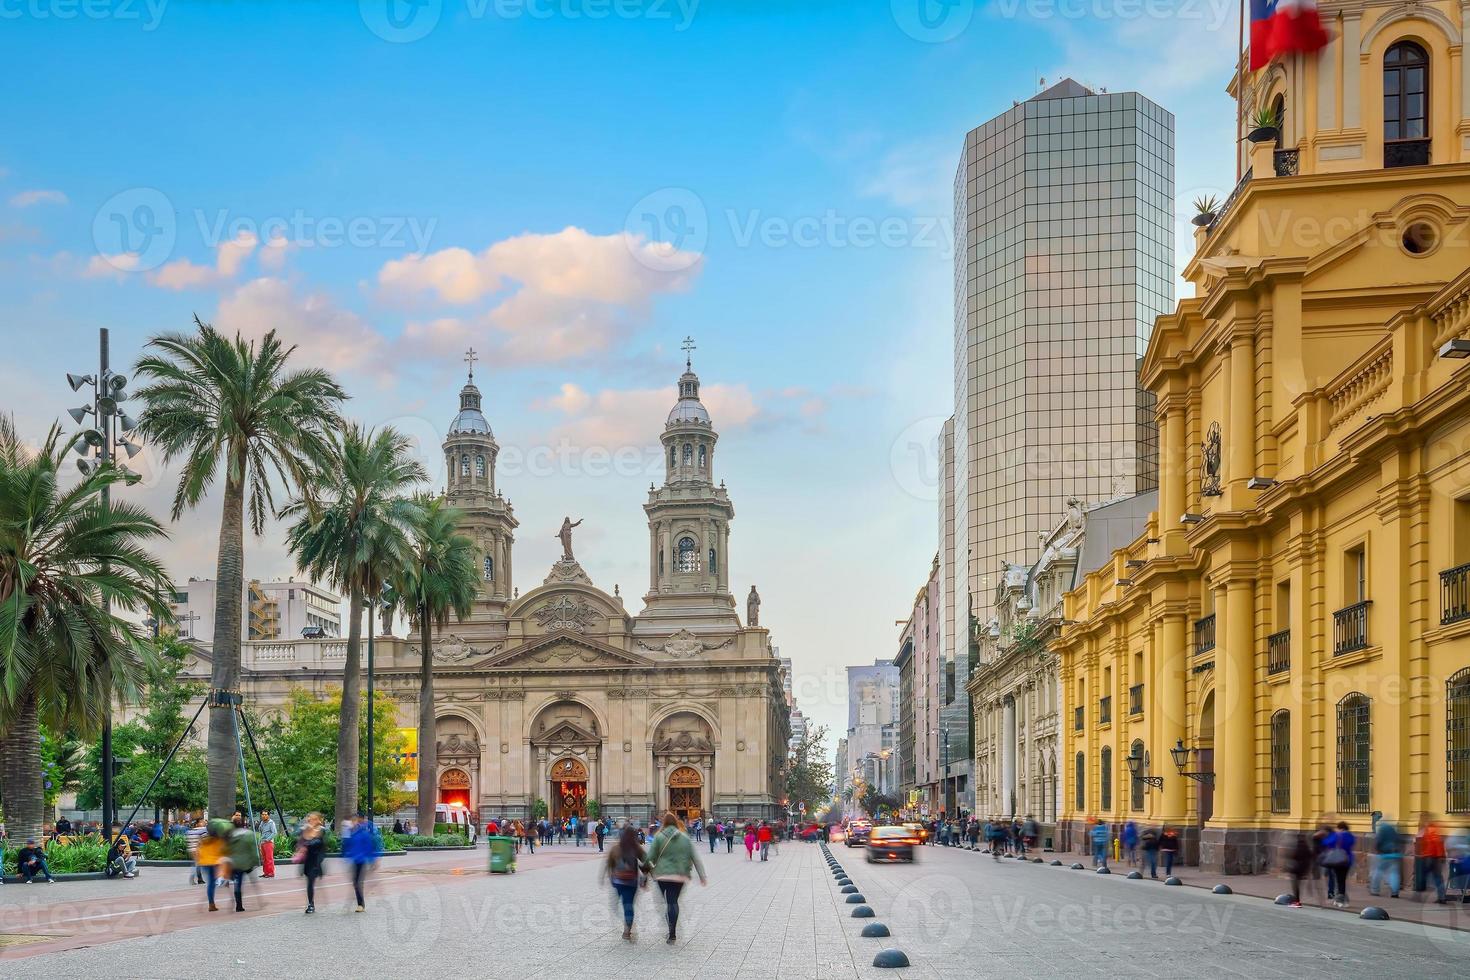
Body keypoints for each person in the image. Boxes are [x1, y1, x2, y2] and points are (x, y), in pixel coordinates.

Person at [647, 812, 707, 945]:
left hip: (662, 875)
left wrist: (644, 874)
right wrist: (702, 876)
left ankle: (670, 924)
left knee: (667, 902)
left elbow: (650, 857)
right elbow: (695, 857)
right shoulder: (685, 838)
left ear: (664, 823)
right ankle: (672, 933)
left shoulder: (658, 837)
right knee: (673, 901)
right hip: (680, 875)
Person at [602, 825, 652, 941]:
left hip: (618, 881)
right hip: (631, 881)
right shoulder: (636, 848)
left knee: (617, 905)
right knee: (628, 904)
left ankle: (627, 923)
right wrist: (644, 876)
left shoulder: (615, 847)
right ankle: (627, 928)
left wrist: (607, 877)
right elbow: (647, 863)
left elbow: (609, 864)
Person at [343, 812, 378, 912]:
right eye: (352, 821)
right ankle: (359, 903)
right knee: (355, 882)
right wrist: (346, 854)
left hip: (361, 860)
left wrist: (372, 860)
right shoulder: (350, 833)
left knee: (357, 882)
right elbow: (346, 845)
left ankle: (361, 904)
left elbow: (369, 847)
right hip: (354, 859)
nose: (353, 822)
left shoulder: (363, 833)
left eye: (355, 820)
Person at [226, 814, 259, 911]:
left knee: (238, 884)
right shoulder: (248, 834)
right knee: (254, 881)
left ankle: (238, 905)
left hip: (235, 864)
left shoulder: (230, 835)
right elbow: (253, 850)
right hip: (247, 863)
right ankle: (259, 900)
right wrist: (256, 861)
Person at [1321, 820, 1356, 908]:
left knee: (1338, 880)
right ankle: (1343, 899)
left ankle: (1340, 900)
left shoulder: (1337, 835)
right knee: (1342, 880)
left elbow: (1326, 843)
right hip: (1347, 860)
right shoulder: (1350, 836)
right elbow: (1351, 844)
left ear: (1340, 828)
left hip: (1337, 860)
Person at [1416, 814, 1448, 904]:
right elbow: (1440, 844)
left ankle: (1418, 896)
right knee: (1438, 878)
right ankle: (1442, 897)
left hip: (1430, 857)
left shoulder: (1429, 830)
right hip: (1436, 857)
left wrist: (1425, 854)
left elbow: (1431, 844)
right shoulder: (1436, 831)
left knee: (1423, 876)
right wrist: (1442, 855)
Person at [299, 811, 327, 914]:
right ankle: (312, 903)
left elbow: (321, 846)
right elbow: (297, 839)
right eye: (309, 818)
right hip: (307, 861)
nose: (310, 820)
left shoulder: (322, 831)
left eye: (313, 818)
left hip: (316, 861)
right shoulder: (305, 830)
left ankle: (311, 904)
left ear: (318, 820)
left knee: (310, 883)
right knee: (310, 883)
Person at [1368, 814, 1401, 899]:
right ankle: (1395, 892)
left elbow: (1379, 841)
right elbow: (1398, 839)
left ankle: (1375, 890)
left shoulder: (1382, 829)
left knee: (1378, 871)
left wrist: (1378, 849)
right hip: (1395, 854)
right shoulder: (1393, 829)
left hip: (1385, 854)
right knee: (1394, 873)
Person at [199, 821, 228, 910]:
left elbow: (199, 850)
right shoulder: (218, 840)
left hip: (205, 863)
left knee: (210, 883)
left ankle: (211, 903)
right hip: (214, 863)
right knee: (212, 883)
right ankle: (211, 904)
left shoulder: (203, 839)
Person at [1284, 834, 1314, 908]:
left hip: (1296, 869)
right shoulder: (1307, 847)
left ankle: (1297, 902)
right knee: (1299, 885)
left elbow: (1293, 856)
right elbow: (1311, 857)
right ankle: (1297, 901)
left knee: (1295, 885)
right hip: (1304, 869)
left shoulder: (1297, 847)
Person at [186, 816, 208, 885]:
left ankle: (199, 879)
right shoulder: (203, 830)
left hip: (191, 849)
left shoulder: (191, 831)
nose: (204, 822)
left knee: (197, 864)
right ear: (198, 823)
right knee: (198, 864)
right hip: (198, 850)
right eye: (202, 821)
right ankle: (195, 878)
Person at [257, 810, 278, 879]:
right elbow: (261, 832)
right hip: (262, 843)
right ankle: (266, 873)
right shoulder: (262, 823)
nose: (264, 816)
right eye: (262, 814)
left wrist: (267, 839)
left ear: (268, 815)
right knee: (264, 859)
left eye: (266, 814)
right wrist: (260, 842)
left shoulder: (271, 823)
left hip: (268, 843)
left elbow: (274, 833)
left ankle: (271, 873)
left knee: (269, 859)